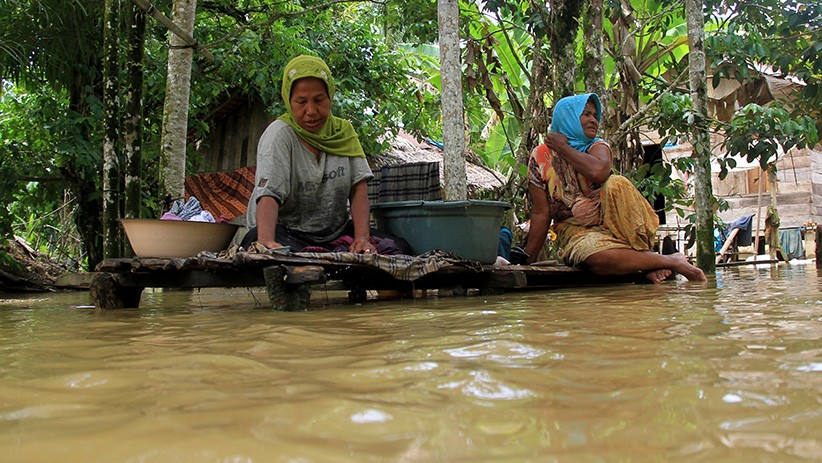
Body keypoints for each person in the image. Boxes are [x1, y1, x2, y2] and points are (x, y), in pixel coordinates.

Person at [523, 93, 707, 283]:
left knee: (617, 183)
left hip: (616, 227)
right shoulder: (541, 156)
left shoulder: (597, 146)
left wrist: (563, 148)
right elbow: (541, 213)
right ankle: (666, 261)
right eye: (586, 114)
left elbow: (598, 172)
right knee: (596, 257)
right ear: (568, 118)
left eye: (595, 115)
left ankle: (652, 261)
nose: (593, 120)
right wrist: (526, 262)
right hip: (577, 234)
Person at [241, 55, 411, 255]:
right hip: (288, 232)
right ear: (288, 101)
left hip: (335, 233)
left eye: (319, 100)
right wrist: (266, 241)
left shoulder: (343, 133)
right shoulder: (279, 136)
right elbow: (269, 192)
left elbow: (358, 188)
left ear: (330, 97)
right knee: (262, 244)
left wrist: (362, 238)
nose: (311, 110)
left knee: (397, 248)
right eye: (301, 102)